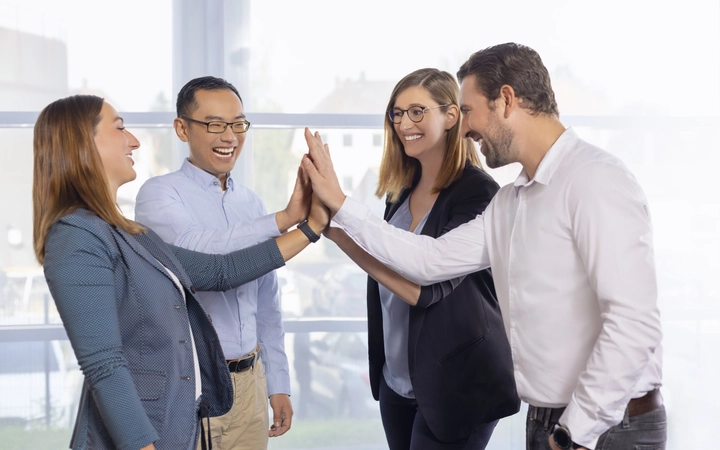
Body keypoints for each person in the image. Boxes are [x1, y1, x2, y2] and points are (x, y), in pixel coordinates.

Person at [302, 43, 665, 450]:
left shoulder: (594, 179)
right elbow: (428, 260)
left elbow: (633, 323)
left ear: (506, 100)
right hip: (548, 419)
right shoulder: (511, 201)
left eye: (469, 110)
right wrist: (341, 208)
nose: (466, 127)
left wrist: (575, 431)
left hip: (608, 426)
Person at [33, 94, 328, 450]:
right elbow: (104, 366)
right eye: (120, 128)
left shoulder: (127, 233)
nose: (134, 141)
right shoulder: (76, 237)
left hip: (176, 425)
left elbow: (221, 272)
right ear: (82, 142)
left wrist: (311, 227)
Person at [322, 68, 519, 450]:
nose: (403, 123)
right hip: (398, 380)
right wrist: (332, 230)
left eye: (417, 111)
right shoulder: (400, 192)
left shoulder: (479, 193)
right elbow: (385, 263)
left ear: (450, 116)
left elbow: (423, 288)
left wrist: (340, 212)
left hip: (457, 383)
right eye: (396, 113)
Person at [134, 76, 303, 450]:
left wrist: (278, 383)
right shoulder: (159, 195)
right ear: (182, 128)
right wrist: (286, 219)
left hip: (251, 385)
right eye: (214, 125)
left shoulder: (252, 203)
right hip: (194, 384)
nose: (229, 136)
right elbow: (206, 256)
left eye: (237, 124)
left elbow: (268, 305)